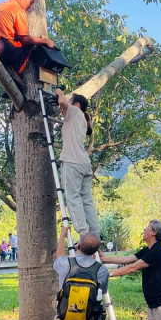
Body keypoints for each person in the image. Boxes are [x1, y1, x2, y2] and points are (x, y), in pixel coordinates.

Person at [0, 0, 54, 90]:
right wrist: (45, 41)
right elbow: (26, 39)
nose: (31, 6)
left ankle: (9, 78)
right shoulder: (17, 9)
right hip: (1, 48)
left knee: (15, 44)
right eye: (31, 2)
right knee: (31, 46)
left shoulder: (0, 6)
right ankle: (15, 72)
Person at [55, 88, 100, 236]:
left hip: (72, 160)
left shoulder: (74, 112)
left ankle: (84, 233)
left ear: (77, 105)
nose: (66, 104)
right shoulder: (82, 119)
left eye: (70, 101)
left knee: (73, 197)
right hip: (84, 163)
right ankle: (94, 231)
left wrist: (59, 92)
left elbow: (61, 101)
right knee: (86, 198)